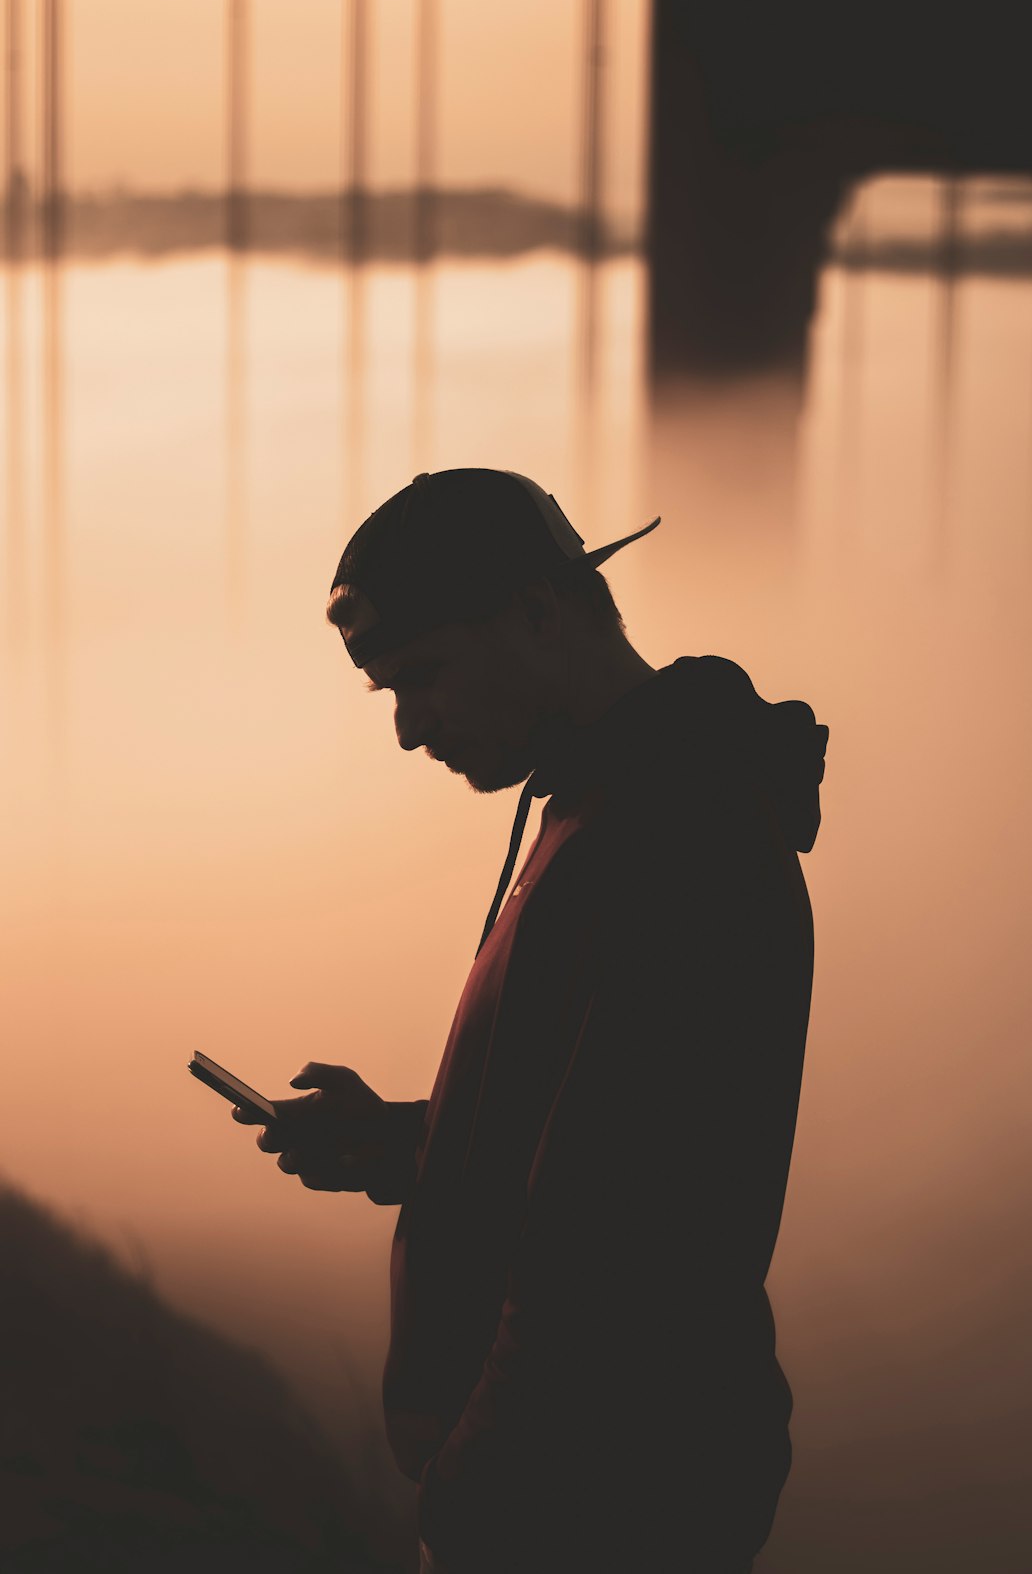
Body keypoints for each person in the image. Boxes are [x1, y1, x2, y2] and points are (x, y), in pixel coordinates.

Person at [232, 468, 829, 1574]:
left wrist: (474, 1497)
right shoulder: (612, 801)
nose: (411, 729)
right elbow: (597, 1135)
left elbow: (611, 1260)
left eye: (425, 677)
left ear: (538, 615)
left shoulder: (673, 839)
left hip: (588, 1501)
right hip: (578, 1479)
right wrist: (414, 1138)